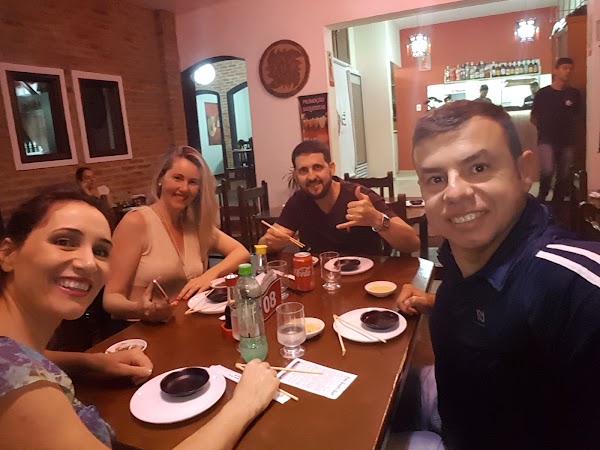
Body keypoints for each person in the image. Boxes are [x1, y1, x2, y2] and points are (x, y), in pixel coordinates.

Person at [0, 186, 280, 449]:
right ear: (8, 253)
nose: (87, 263)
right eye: (64, 242)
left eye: (100, 251)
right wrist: (246, 403)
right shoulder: (20, 387)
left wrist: (93, 362)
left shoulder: (15, 353)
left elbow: (30, 356)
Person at [395, 100, 600, 449]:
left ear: (524, 171)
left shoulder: (577, 291)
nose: (455, 192)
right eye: (436, 179)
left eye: (478, 167)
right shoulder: (463, 258)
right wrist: (435, 302)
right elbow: (493, 311)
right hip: (454, 407)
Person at [103, 146, 249, 322]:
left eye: (193, 182)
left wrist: (209, 275)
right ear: (161, 179)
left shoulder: (194, 225)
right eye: (177, 178)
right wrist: (139, 309)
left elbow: (241, 252)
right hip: (142, 329)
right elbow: (110, 299)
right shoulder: (136, 222)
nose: (184, 188)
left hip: (184, 324)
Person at [258, 140, 419, 255]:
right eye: (303, 170)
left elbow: (412, 243)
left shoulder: (359, 196)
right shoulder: (298, 201)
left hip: (368, 279)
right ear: (295, 175)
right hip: (319, 280)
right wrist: (271, 243)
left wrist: (376, 219)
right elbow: (263, 245)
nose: (311, 176)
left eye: (317, 167)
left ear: (331, 168)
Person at [530, 57, 581, 204]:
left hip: (567, 140)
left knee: (564, 174)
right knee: (547, 170)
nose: (568, 71)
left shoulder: (574, 94)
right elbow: (533, 117)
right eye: (564, 68)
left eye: (570, 69)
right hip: (546, 139)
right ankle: (541, 199)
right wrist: (543, 130)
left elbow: (577, 117)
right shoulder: (543, 93)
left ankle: (557, 204)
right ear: (556, 70)